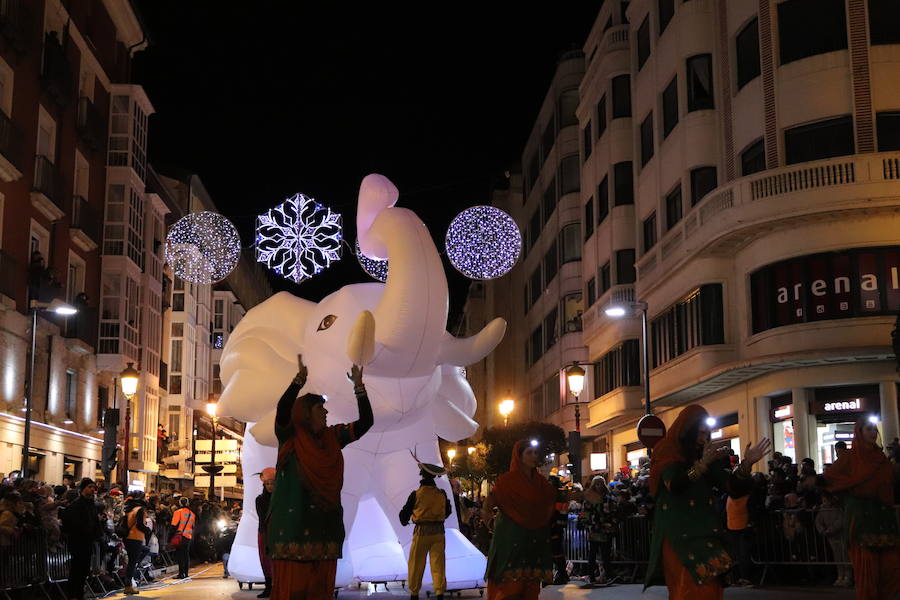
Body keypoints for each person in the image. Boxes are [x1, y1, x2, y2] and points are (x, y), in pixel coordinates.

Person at [268, 355, 373, 600]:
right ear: (305, 413)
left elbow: (366, 423)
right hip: (292, 534)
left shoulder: (333, 438)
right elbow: (282, 410)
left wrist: (359, 388)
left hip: (325, 532)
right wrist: (297, 383)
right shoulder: (290, 438)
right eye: (319, 409)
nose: (325, 413)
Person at [645, 405, 770, 599]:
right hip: (677, 534)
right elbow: (675, 485)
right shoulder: (668, 451)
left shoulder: (707, 455)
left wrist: (746, 465)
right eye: (699, 433)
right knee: (686, 587)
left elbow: (731, 487)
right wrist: (701, 466)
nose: (703, 438)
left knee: (711, 587)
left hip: (704, 531)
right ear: (688, 431)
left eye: (706, 433)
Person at [823, 415, 900, 600]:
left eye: (875, 429)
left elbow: (889, 485)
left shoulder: (881, 459)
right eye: (868, 429)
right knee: (867, 570)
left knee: (890, 569)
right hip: (861, 519)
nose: (873, 433)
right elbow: (830, 478)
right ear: (859, 432)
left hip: (883, 518)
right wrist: (852, 490)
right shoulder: (850, 458)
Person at [481, 440, 556, 600]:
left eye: (535, 453)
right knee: (510, 590)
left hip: (533, 541)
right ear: (519, 456)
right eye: (529, 452)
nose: (534, 456)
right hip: (510, 540)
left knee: (530, 588)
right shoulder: (506, 482)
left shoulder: (541, 483)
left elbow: (555, 496)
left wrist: (584, 495)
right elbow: (489, 503)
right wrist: (490, 522)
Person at [399, 456, 452, 600]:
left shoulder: (416, 494)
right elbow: (448, 511)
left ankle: (414, 594)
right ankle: (440, 592)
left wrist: (405, 521)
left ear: (422, 476)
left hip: (421, 533)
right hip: (439, 533)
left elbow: (404, 515)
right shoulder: (441, 494)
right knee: (438, 564)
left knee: (416, 564)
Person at [61, 478, 103, 600]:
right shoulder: (77, 504)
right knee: (76, 569)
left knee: (84, 570)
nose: (92, 489)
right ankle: (72, 594)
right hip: (78, 541)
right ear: (83, 488)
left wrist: (96, 534)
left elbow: (94, 521)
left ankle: (79, 594)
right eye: (89, 487)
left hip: (88, 541)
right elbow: (72, 522)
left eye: (93, 487)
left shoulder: (91, 504)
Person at [580, 475, 616, 584]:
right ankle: (591, 575)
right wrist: (585, 523)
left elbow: (613, 511)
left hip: (606, 529)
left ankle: (609, 575)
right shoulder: (589, 498)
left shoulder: (608, 497)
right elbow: (584, 512)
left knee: (606, 554)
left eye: (600, 484)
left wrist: (612, 523)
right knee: (592, 553)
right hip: (594, 529)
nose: (599, 486)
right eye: (597, 484)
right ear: (593, 485)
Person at [815, 490, 851, 587]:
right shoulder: (822, 509)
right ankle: (840, 575)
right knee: (837, 556)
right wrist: (822, 530)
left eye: (826, 500)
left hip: (840, 534)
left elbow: (841, 520)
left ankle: (848, 576)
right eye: (823, 500)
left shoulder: (837, 508)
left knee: (844, 555)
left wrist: (831, 529)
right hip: (830, 536)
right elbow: (818, 521)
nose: (824, 502)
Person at [123, 491, 152, 594]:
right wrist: (147, 530)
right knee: (132, 562)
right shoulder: (139, 509)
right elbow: (140, 525)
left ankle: (128, 584)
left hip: (128, 538)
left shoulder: (130, 508)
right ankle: (128, 585)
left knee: (131, 561)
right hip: (135, 537)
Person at [256, 468, 276, 598]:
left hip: (278, 532)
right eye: (267, 483)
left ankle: (277, 586)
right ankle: (268, 587)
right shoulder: (260, 499)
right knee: (265, 559)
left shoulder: (281, 499)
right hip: (264, 531)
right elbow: (262, 517)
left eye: (272, 483)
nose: (270, 486)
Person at [171, 496, 196, 579]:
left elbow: (174, 525)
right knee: (186, 555)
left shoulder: (178, 512)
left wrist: (170, 536)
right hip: (188, 536)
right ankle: (186, 573)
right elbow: (193, 526)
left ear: (180, 503)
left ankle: (181, 573)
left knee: (180, 555)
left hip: (180, 536)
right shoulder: (192, 514)